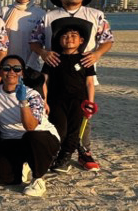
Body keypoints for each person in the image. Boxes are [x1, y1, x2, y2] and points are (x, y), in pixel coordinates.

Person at [30, 0, 113, 171]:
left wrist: (97, 54)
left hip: (82, 71)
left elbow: (107, 39)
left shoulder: (96, 15)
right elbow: (34, 41)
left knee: (82, 116)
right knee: (56, 115)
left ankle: (84, 151)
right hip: (56, 71)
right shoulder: (49, 17)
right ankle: (58, 150)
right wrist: (43, 52)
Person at [0, 55, 60, 197]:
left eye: (17, 69)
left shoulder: (32, 95)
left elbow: (30, 126)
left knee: (31, 136)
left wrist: (23, 102)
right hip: (11, 139)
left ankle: (38, 179)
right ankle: (26, 162)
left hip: (40, 137)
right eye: (6, 68)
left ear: (22, 73)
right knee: (4, 177)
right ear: (0, 71)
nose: (11, 72)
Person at [42, 21, 97, 173]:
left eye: (74, 35)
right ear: (59, 40)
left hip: (79, 101)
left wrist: (90, 103)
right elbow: (44, 82)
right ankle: (56, 154)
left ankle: (65, 157)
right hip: (56, 100)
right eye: (65, 36)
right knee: (60, 129)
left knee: (74, 130)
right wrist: (44, 101)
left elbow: (90, 83)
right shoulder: (53, 58)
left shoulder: (85, 59)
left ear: (81, 40)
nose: (69, 38)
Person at [0, 0, 46, 91]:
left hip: (31, 66)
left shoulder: (40, 13)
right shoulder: (5, 11)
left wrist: (29, 66)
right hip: (8, 67)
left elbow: (41, 42)